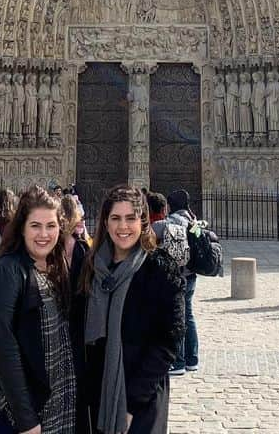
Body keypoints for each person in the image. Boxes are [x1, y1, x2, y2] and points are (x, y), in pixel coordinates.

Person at [0, 187, 75, 434]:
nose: (44, 234)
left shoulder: (56, 267)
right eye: (35, 226)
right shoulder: (7, 270)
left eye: (51, 226)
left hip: (46, 400)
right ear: (21, 227)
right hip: (4, 406)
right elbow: (3, 347)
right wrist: (26, 420)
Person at [73, 185, 185, 434]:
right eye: (115, 218)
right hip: (96, 394)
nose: (123, 227)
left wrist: (132, 403)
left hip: (140, 397)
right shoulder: (91, 267)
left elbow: (168, 342)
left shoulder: (160, 269)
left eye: (130, 218)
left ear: (143, 222)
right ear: (105, 222)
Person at [162, 189, 199, 375]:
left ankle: (178, 362)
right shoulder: (193, 221)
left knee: (177, 317)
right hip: (191, 274)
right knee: (189, 316)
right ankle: (192, 359)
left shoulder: (171, 221)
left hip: (178, 275)